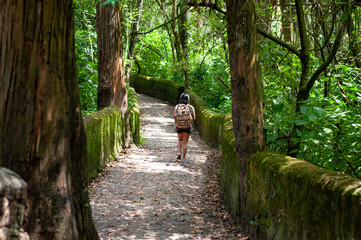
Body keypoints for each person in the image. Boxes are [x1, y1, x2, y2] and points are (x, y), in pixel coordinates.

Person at [173, 93, 196, 163]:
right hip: (187, 127)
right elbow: (194, 118)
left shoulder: (177, 107)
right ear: (188, 99)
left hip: (179, 126)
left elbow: (174, 116)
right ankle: (183, 158)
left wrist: (177, 121)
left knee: (180, 140)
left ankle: (179, 152)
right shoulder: (191, 107)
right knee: (185, 142)